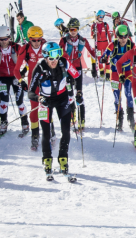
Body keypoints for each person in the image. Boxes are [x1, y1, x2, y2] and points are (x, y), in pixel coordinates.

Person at [29, 42, 79, 178]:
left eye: (57, 57)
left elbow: (76, 76)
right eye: (51, 58)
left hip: (62, 99)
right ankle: (47, 159)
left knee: (66, 131)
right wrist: (39, 98)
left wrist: (78, 92)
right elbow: (30, 92)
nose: (54, 61)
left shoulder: (64, 63)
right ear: (45, 57)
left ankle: (63, 158)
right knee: (45, 132)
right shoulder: (39, 68)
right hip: (45, 101)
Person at [0, 25, 27, 135]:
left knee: (19, 101)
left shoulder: (17, 47)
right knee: (3, 101)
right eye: (1, 39)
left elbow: (27, 60)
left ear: (9, 37)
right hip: (2, 78)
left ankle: (25, 123)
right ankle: (3, 122)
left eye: (6, 38)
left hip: (15, 77)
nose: (4, 41)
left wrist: (23, 72)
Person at [59, 18, 96, 130]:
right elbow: (60, 53)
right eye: (71, 29)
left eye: (75, 29)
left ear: (78, 29)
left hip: (78, 68)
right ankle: (72, 117)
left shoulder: (82, 40)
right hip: (68, 70)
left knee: (79, 95)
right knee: (69, 96)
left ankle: (81, 120)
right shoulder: (64, 40)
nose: (73, 31)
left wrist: (98, 54)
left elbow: (92, 51)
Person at [14, 26, 47, 149]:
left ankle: (50, 134)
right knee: (34, 111)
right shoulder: (25, 49)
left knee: (46, 108)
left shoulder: (46, 46)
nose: (37, 42)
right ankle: (34, 137)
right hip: (33, 84)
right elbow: (16, 70)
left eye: (39, 39)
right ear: (29, 39)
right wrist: (21, 81)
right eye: (34, 40)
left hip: (46, 83)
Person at [100, 24, 135, 132]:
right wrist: (104, 59)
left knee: (128, 93)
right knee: (117, 97)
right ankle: (119, 119)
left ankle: (131, 118)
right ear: (117, 36)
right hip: (115, 73)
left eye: (125, 37)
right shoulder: (112, 45)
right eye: (121, 37)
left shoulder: (131, 44)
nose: (123, 39)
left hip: (127, 72)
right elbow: (103, 56)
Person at [90, 10, 113, 80]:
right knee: (99, 59)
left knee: (106, 59)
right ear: (97, 17)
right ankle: (102, 73)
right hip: (98, 45)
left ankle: (108, 75)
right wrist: (93, 36)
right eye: (100, 16)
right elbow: (91, 35)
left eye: (103, 16)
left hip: (105, 44)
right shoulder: (94, 25)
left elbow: (109, 35)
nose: (102, 18)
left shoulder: (105, 25)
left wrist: (110, 43)